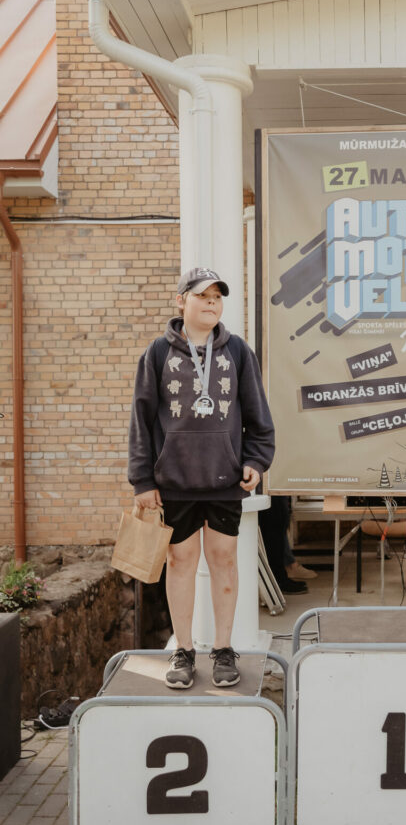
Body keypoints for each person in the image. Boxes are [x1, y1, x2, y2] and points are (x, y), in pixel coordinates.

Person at [129, 267, 275, 689]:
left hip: (225, 478)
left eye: (217, 296)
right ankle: (184, 650)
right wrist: (142, 480)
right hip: (174, 481)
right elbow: (141, 421)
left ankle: (224, 650)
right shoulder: (157, 353)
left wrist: (256, 460)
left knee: (224, 560)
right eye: (202, 295)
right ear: (181, 301)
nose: (211, 302)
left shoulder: (238, 352)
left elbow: (257, 415)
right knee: (180, 562)